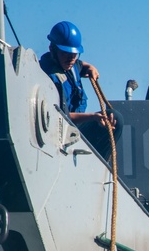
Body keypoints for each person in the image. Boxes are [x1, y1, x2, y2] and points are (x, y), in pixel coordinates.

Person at [39, 21, 121, 161]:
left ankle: (99, 165)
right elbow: (60, 116)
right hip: (61, 133)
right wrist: (93, 117)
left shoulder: (71, 65)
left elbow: (79, 66)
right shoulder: (47, 76)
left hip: (78, 129)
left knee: (115, 118)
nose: (71, 59)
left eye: (74, 54)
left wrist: (90, 67)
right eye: (66, 54)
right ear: (53, 49)